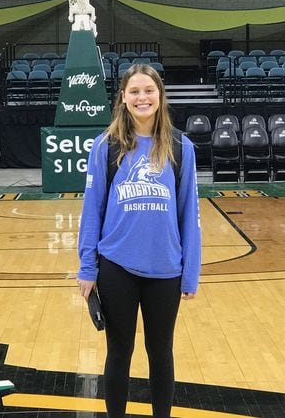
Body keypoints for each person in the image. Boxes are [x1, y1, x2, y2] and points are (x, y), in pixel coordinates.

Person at [77, 63, 201, 418]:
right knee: (119, 352)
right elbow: (92, 210)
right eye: (134, 91)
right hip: (116, 266)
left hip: (166, 268)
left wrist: (190, 272)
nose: (142, 97)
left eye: (149, 90)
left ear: (160, 96)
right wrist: (87, 267)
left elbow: (189, 214)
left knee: (161, 353)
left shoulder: (181, 146)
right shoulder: (106, 145)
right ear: (123, 98)